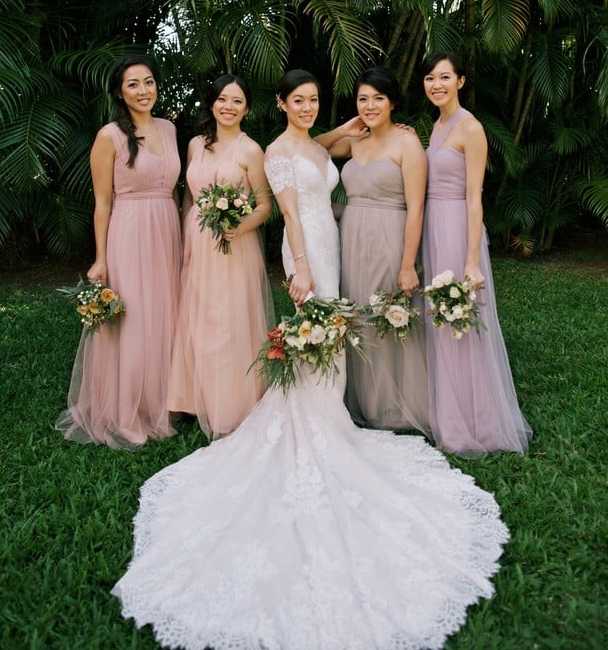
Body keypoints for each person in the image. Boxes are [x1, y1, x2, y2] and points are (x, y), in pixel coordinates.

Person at [111, 68, 510, 650]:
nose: (306, 107)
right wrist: (298, 266)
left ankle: (329, 412)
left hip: (335, 244)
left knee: (334, 334)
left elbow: (315, 153)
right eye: (296, 100)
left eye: (314, 100)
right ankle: (313, 419)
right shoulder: (274, 150)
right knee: (320, 330)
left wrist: (335, 129)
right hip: (311, 252)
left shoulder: (310, 142)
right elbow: (291, 212)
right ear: (278, 104)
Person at [56, 55, 181, 448]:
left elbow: (177, 190)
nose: (143, 91)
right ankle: (126, 409)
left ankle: (162, 401)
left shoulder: (170, 128)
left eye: (148, 82)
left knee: (164, 312)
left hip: (166, 229)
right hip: (128, 232)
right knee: (134, 317)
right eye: (133, 84)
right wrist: (100, 258)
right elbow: (102, 203)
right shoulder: (109, 135)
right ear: (119, 92)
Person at [421, 51, 532, 455]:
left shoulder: (470, 128)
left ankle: (478, 422)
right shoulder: (436, 126)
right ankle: (449, 413)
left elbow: (473, 198)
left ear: (461, 81)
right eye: (430, 78)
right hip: (432, 227)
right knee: (440, 317)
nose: (437, 84)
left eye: (445, 77)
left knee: (462, 318)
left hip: (457, 228)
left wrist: (471, 259)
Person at [319, 67, 430, 433]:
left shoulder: (407, 143)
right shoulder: (355, 142)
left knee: (387, 316)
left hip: (390, 235)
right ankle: (364, 401)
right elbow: (310, 148)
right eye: (363, 98)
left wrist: (408, 264)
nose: (370, 105)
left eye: (378, 98)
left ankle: (395, 406)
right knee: (359, 315)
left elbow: (416, 207)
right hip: (353, 238)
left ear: (393, 102)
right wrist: (347, 128)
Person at [167, 74, 274, 439]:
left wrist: (238, 226)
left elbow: (265, 204)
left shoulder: (250, 150)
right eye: (222, 99)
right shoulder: (196, 144)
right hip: (198, 241)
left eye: (237, 101)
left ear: (246, 108)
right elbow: (188, 195)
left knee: (228, 323)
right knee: (196, 317)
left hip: (234, 245)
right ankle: (192, 399)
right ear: (211, 103)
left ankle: (231, 404)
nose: (229, 107)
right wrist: (185, 237)